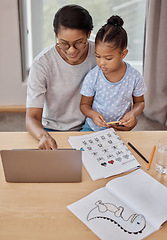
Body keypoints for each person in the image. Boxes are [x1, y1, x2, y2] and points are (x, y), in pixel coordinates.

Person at [26, 5, 96, 149]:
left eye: (78, 43)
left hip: (90, 125)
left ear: (89, 34)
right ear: (56, 35)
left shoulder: (100, 55)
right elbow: (31, 117)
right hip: (51, 129)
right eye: (64, 43)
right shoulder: (42, 64)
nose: (71, 50)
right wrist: (43, 136)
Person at [80, 15, 146, 132]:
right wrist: (94, 115)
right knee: (80, 149)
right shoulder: (93, 76)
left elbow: (140, 102)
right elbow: (84, 105)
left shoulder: (134, 76)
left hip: (121, 128)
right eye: (98, 56)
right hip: (93, 127)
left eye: (108, 58)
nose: (101, 63)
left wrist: (132, 114)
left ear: (123, 54)